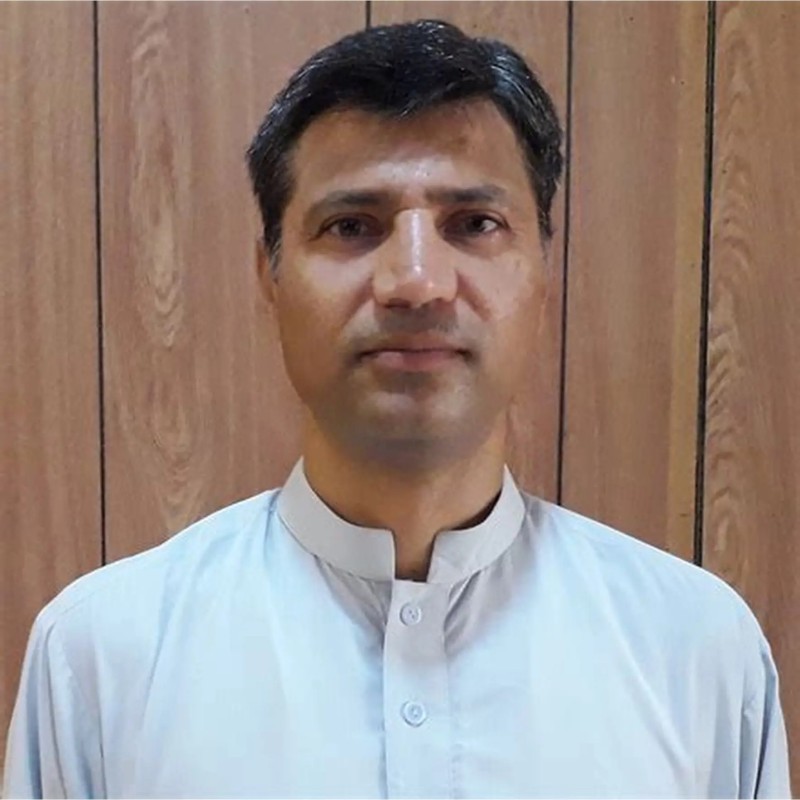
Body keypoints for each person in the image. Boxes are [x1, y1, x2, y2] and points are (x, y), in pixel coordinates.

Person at [3, 19, 791, 799]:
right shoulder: (103, 658)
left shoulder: (697, 655)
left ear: (543, 272)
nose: (417, 282)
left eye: (474, 225)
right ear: (268, 275)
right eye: (352, 226)